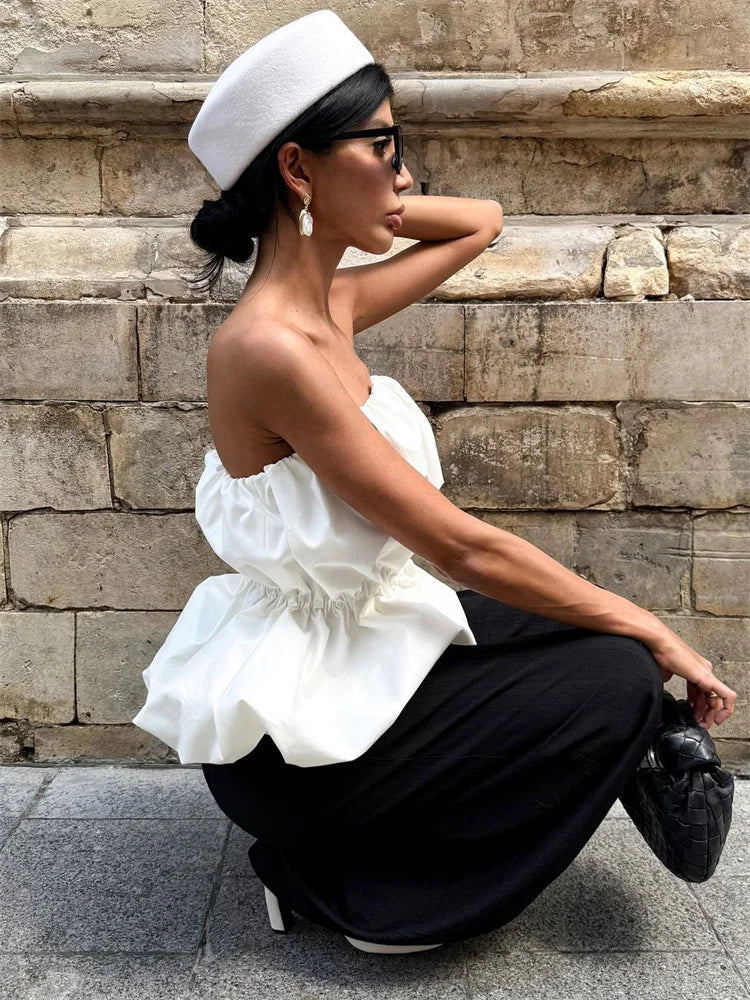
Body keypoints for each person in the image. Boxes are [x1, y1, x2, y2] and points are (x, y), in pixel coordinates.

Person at [131, 9, 737, 952]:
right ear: (297, 167)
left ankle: (644, 749)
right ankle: (366, 898)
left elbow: (485, 224)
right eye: (382, 144)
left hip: (352, 653)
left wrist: (374, 199)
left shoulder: (326, 304)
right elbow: (459, 545)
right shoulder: (268, 349)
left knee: (580, 628)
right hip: (302, 753)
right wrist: (654, 625)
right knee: (617, 674)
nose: (406, 170)